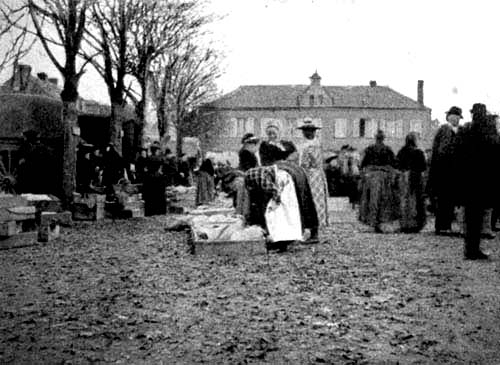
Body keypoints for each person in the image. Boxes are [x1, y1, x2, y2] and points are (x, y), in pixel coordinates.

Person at [456, 103, 498, 260]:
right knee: (478, 217)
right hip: (482, 181)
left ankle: (470, 249)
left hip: (467, 181)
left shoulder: (465, 130)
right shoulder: (487, 132)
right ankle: (473, 250)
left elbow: (457, 154)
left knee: (470, 217)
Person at [427, 106, 462, 235]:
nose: (457, 119)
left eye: (458, 117)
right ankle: (442, 226)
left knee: (450, 199)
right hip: (444, 171)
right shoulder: (444, 130)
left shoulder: (456, 131)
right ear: (449, 117)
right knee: (443, 199)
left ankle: (445, 225)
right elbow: (441, 151)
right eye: (455, 116)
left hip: (451, 171)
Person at [358, 129, 399, 232]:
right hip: (384, 177)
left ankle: (372, 222)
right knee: (384, 200)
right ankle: (381, 222)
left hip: (371, 177)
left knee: (371, 200)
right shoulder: (387, 149)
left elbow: (362, 164)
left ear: (375, 138)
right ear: (383, 138)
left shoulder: (369, 149)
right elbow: (394, 163)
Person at [298, 118, 329, 240]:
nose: (308, 133)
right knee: (309, 201)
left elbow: (310, 162)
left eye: (311, 131)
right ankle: (311, 230)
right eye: (306, 131)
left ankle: (314, 231)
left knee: (313, 202)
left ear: (315, 132)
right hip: (311, 174)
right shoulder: (305, 144)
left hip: (313, 176)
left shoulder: (313, 145)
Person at [396, 132, 427, 233]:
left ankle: (405, 224)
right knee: (416, 201)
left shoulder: (401, 152)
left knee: (404, 200)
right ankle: (415, 224)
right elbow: (423, 167)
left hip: (404, 178)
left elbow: (397, 165)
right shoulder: (419, 152)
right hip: (416, 178)